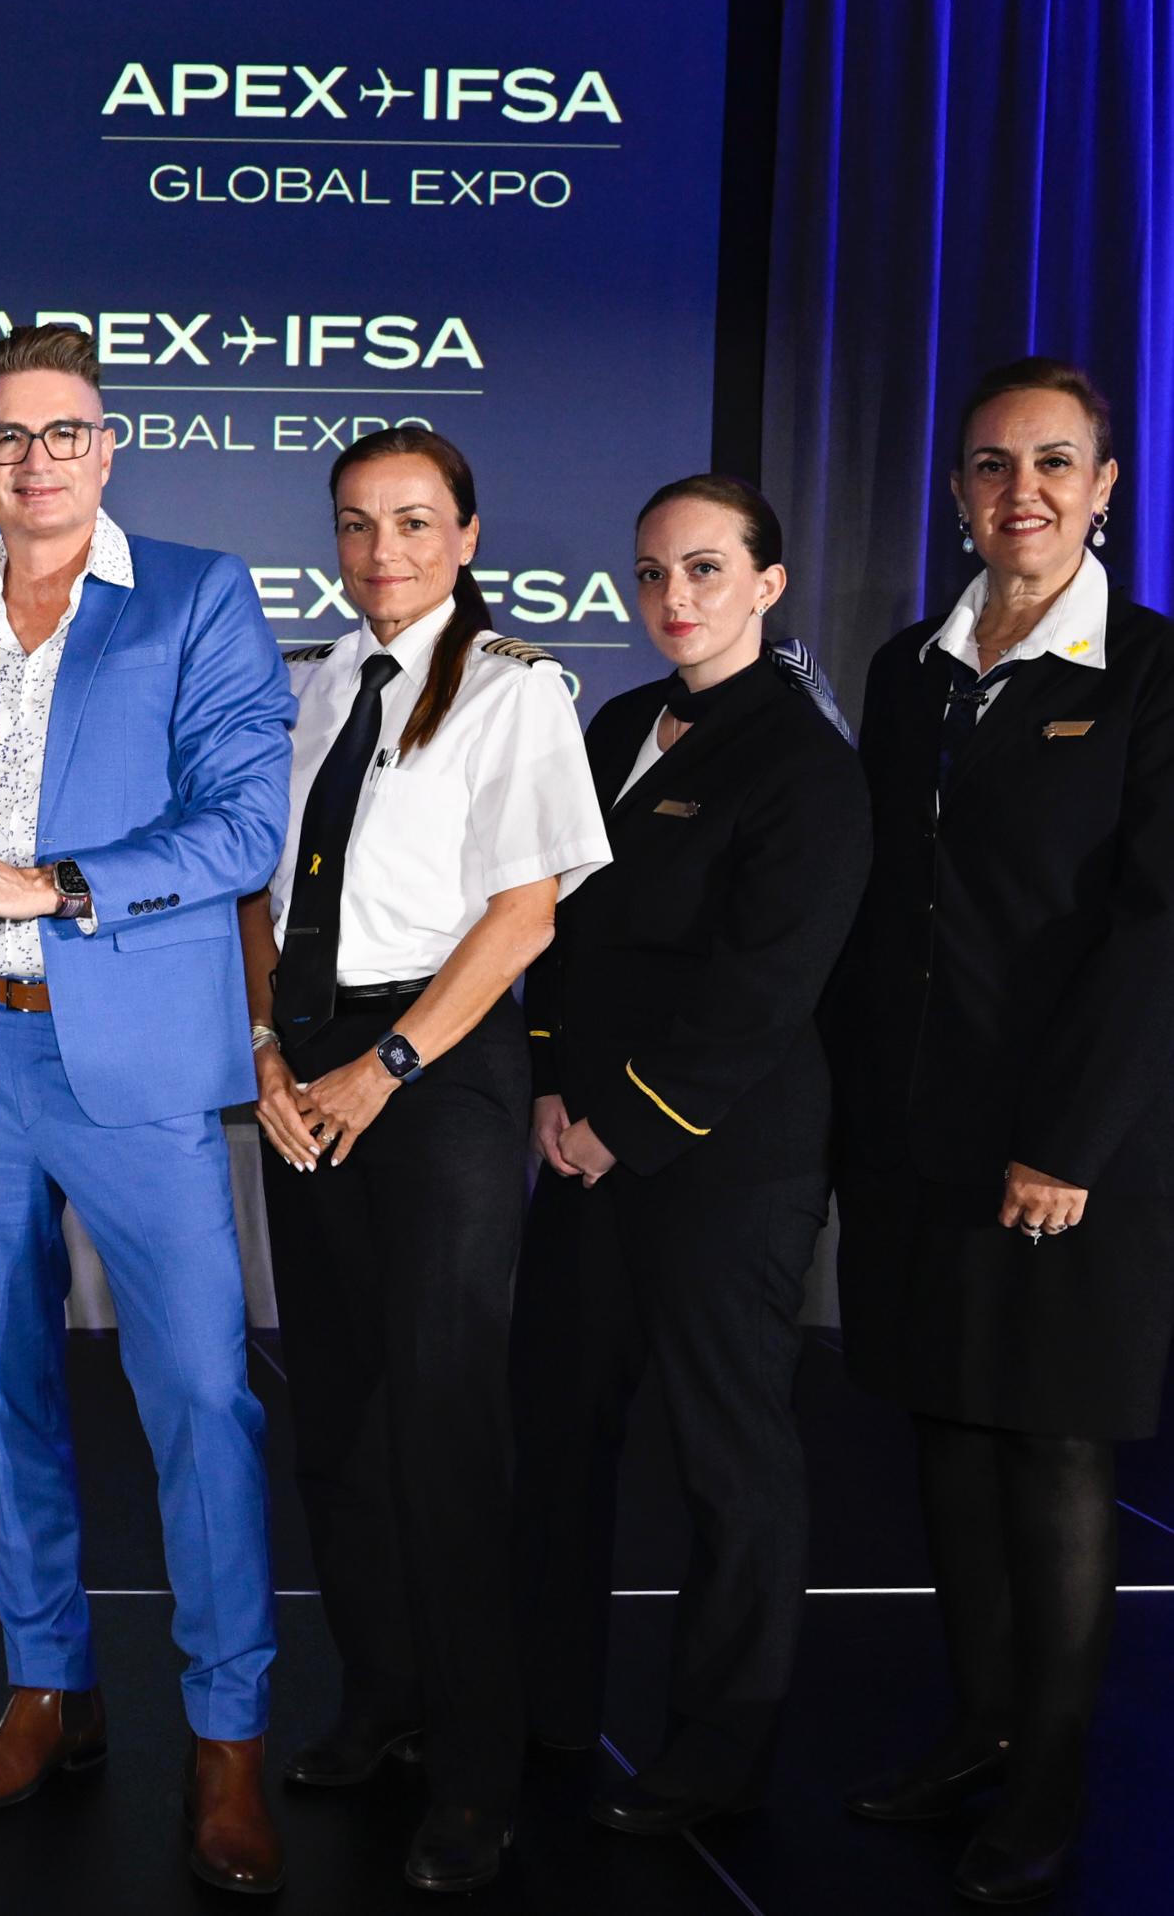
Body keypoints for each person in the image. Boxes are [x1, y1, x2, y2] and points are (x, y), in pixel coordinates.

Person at [0, 325, 294, 1895]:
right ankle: (47, 1691)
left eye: (62, 432)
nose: (33, 459)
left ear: (106, 446)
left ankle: (229, 1739)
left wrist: (52, 884)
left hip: (126, 1063)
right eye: (3, 436)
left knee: (198, 1398)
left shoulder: (196, 597)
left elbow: (244, 825)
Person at [239, 426, 607, 1894]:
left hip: (431, 1073)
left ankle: (475, 1767)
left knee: (446, 1424)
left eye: (411, 523)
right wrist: (270, 1056)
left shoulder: (517, 691)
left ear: (466, 533)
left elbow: (525, 913)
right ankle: (381, 1699)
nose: (380, 552)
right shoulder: (321, 681)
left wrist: (381, 1071)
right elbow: (261, 898)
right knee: (336, 1414)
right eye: (353, 524)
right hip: (308, 1070)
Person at [831, 358, 1174, 1906]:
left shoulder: (1155, 676)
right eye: (987, 466)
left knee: (1046, 1444)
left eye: (1051, 463)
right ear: (956, 491)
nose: (1016, 493)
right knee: (946, 1436)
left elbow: (1153, 937)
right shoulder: (910, 667)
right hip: (917, 1137)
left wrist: (1066, 1142)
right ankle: (976, 1735)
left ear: (1104, 485)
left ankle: (1047, 1779)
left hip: (1068, 1152)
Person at [510, 475, 869, 1834]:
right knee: (554, 1435)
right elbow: (547, 926)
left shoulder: (803, 761)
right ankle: (544, 1706)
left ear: (766, 586)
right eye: (653, 573)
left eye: (706, 572)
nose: (673, 599)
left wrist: (622, 1123)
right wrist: (550, 1091)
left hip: (724, 1162)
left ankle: (719, 1742)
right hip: (579, 1140)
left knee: (726, 1457)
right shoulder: (609, 727)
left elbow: (766, 987)